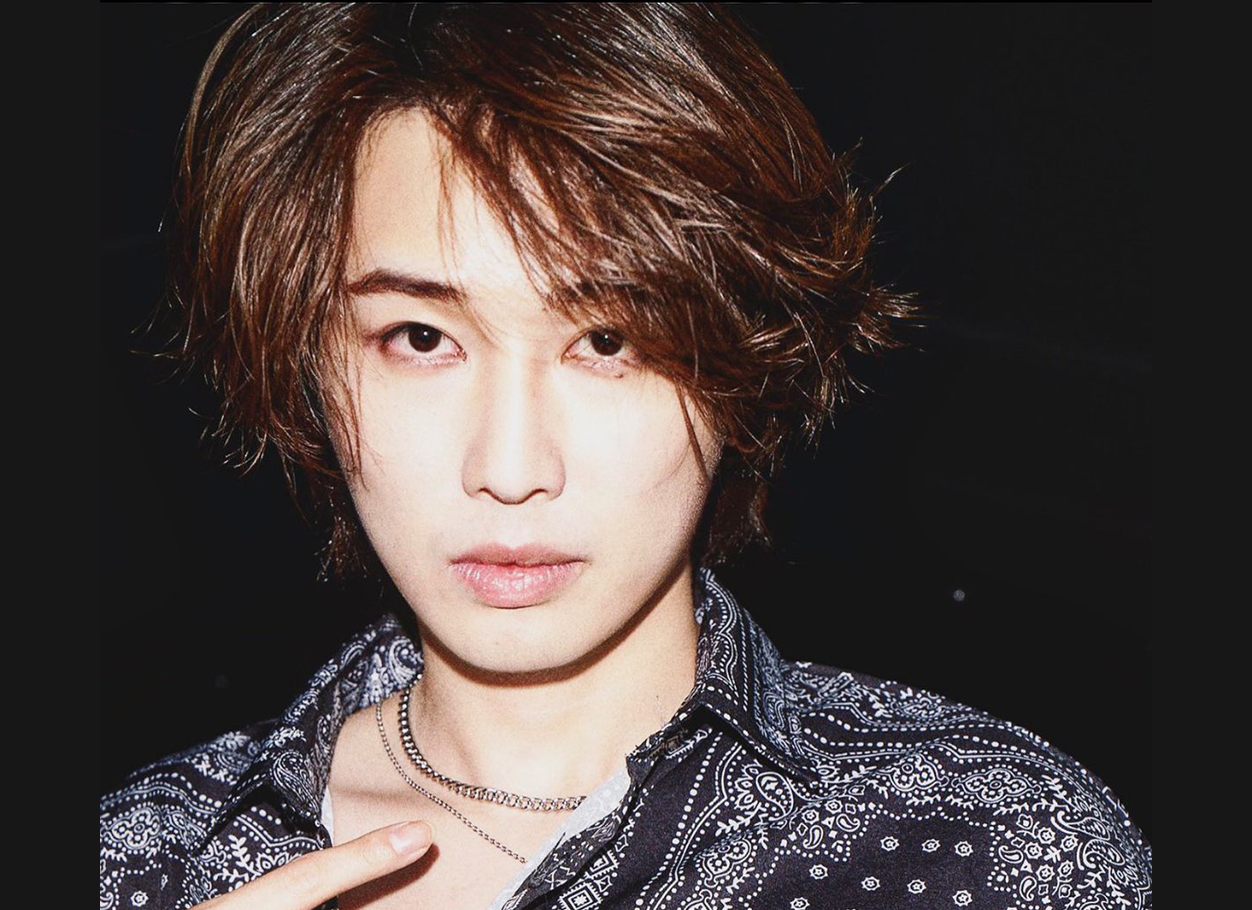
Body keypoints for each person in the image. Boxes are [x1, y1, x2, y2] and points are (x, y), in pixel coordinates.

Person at [100, 5, 1152, 909]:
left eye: (609, 342)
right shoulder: (135, 863)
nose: (511, 467)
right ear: (307, 365)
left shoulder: (986, 850)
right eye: (420, 338)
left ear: (741, 365)